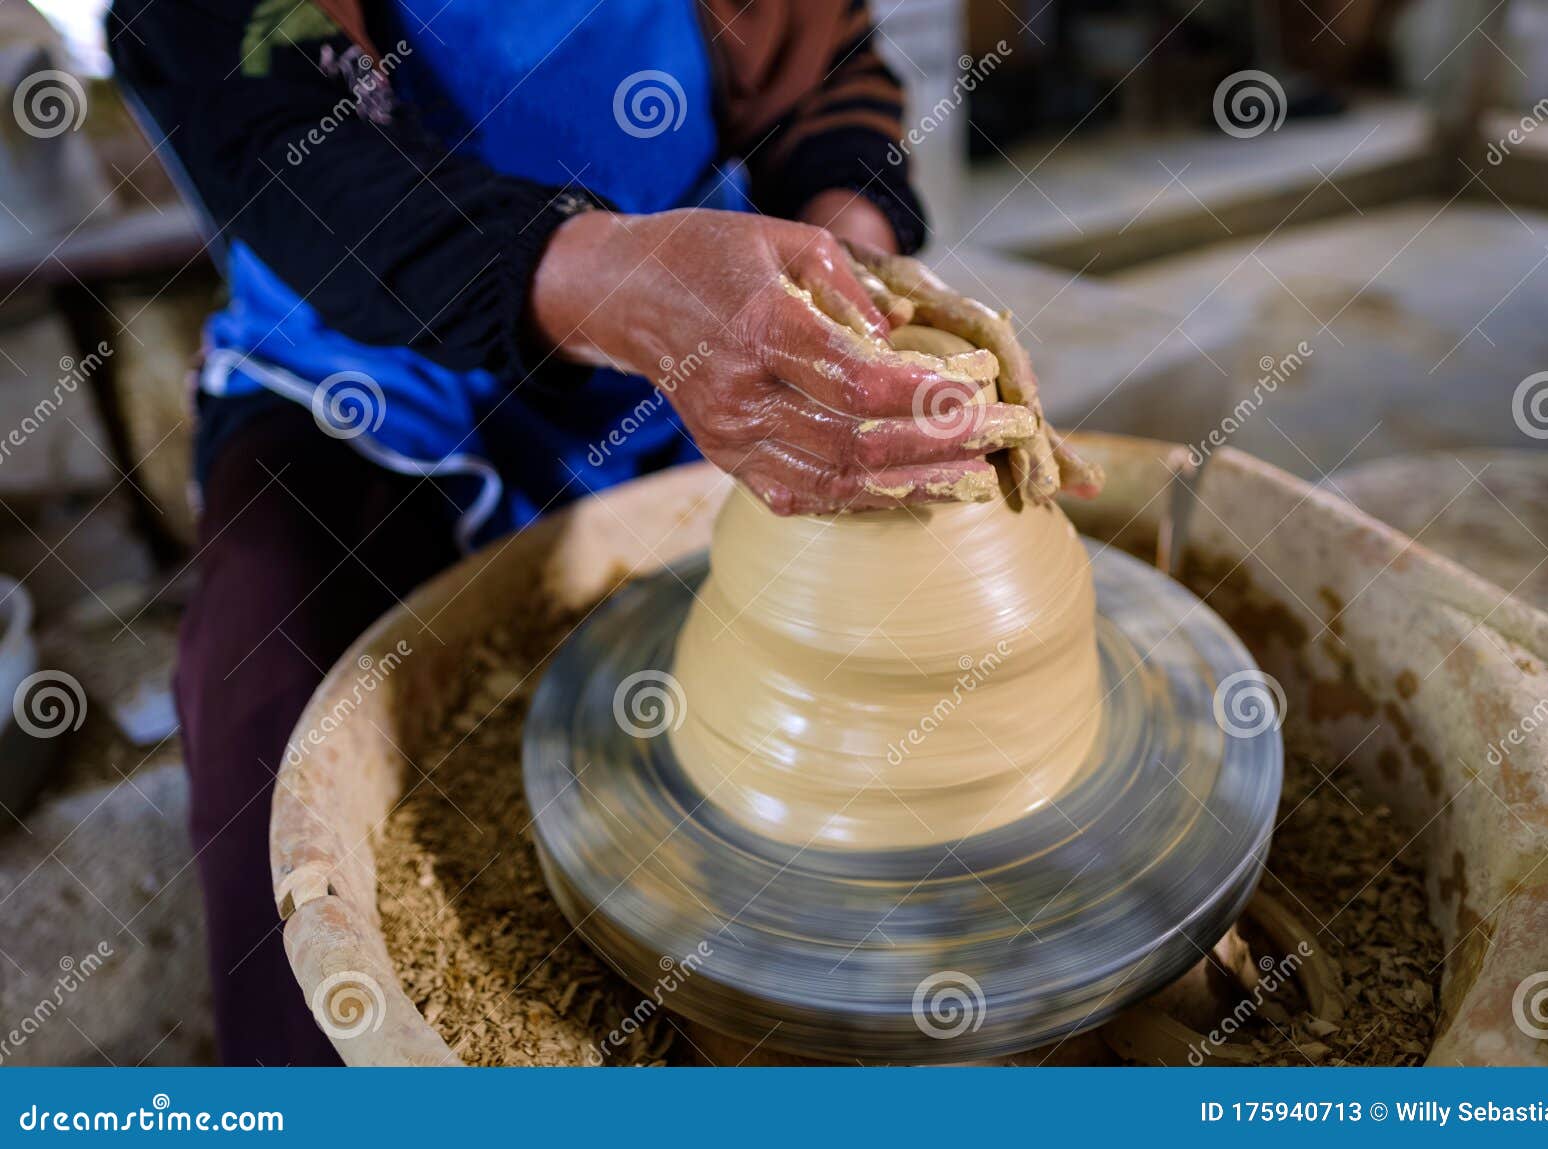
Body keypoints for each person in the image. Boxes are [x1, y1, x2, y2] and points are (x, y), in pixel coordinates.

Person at [110, 0, 1064, 1064]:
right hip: (369, 361)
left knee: (888, 637)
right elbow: (282, 146)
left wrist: (850, 259)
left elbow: (825, 73)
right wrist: (611, 280)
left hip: (700, 333)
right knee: (268, 680)